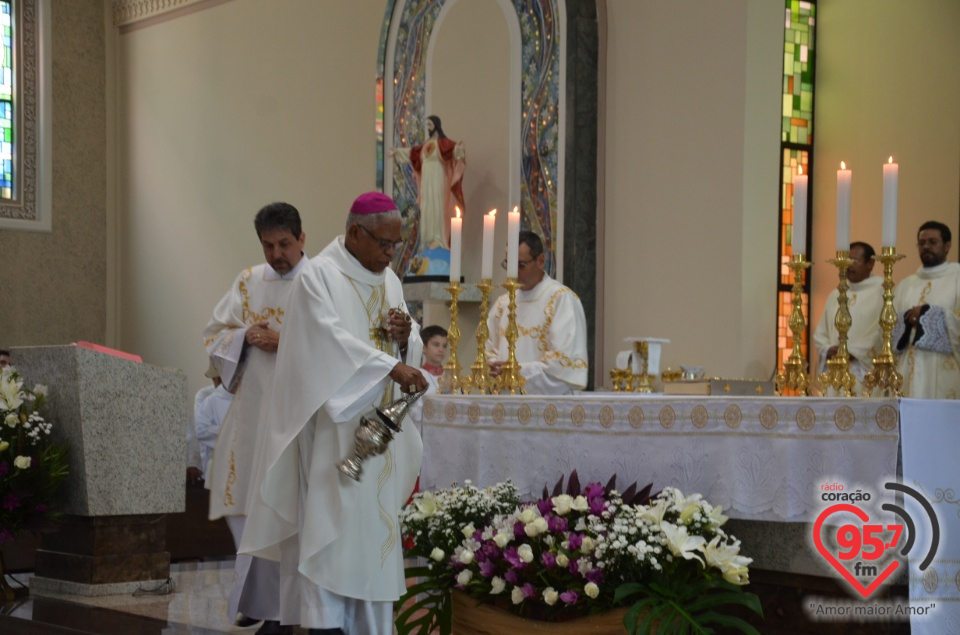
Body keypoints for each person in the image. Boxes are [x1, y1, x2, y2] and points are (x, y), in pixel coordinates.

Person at [239, 192, 427, 635]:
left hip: (379, 437)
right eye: (384, 243)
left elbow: (406, 339)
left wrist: (405, 338)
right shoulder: (318, 277)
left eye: (396, 246)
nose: (389, 254)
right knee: (334, 536)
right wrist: (391, 364)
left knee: (374, 538)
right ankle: (327, 627)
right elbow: (323, 345)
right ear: (356, 233)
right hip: (332, 435)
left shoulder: (390, 281)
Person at [202, 202, 307, 635]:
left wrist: (284, 341)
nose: (277, 253)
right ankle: (261, 602)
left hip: (297, 414)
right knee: (248, 508)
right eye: (268, 245)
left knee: (288, 512)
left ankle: (292, 609)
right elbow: (213, 336)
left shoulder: (318, 282)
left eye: (284, 244)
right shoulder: (248, 282)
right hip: (251, 414)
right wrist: (245, 335)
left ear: (303, 239)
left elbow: (337, 345)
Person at [486, 231, 589, 394]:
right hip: (504, 403)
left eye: (521, 265)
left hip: (548, 408)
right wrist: (495, 368)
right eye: (509, 264)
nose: (513, 273)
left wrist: (515, 372)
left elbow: (562, 365)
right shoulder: (502, 304)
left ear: (540, 261)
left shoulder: (561, 300)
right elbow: (488, 349)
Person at [893, 220, 960, 399]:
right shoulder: (905, 285)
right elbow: (888, 328)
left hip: (942, 370)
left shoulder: (957, 277)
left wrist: (929, 314)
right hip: (907, 370)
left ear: (947, 246)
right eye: (921, 243)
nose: (926, 247)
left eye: (932, 242)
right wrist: (906, 319)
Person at [812, 241, 883, 393]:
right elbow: (820, 333)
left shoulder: (882, 292)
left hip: (862, 374)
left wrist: (850, 351)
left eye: (854, 261)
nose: (849, 266)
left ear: (870, 263)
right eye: (847, 261)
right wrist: (828, 349)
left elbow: (882, 332)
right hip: (834, 375)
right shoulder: (835, 294)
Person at [390, 115, 466, 250]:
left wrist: (459, 149)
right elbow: (412, 153)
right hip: (426, 183)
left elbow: (454, 151)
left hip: (438, 180)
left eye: (430, 125)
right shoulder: (426, 146)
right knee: (427, 208)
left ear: (436, 125)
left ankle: (438, 238)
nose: (428, 128)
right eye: (427, 125)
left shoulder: (442, 144)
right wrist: (397, 152)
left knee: (438, 206)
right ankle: (427, 239)